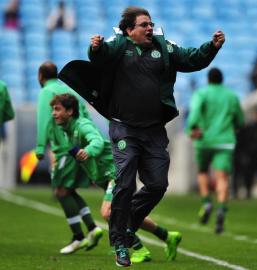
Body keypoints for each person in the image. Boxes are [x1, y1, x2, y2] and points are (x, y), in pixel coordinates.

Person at [58, 6, 225, 266]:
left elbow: (191, 59)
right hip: (124, 128)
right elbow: (100, 58)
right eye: (143, 25)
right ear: (129, 30)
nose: (149, 28)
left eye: (150, 24)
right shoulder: (118, 46)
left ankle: (127, 228)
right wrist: (96, 48)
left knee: (158, 185)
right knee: (124, 184)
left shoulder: (164, 47)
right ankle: (120, 245)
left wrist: (212, 46)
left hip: (154, 130)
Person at [50, 93, 182, 263]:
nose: (53, 113)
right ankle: (167, 236)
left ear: (69, 111)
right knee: (127, 214)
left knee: (108, 213)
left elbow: (96, 141)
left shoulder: (82, 125)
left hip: (115, 174)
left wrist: (89, 151)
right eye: (53, 109)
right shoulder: (67, 130)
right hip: (104, 178)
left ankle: (139, 249)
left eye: (57, 109)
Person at [35, 61, 103, 255]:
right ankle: (92, 228)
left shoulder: (46, 93)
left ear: (40, 76)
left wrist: (40, 146)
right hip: (77, 146)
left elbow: (43, 120)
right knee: (69, 190)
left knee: (61, 191)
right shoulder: (68, 91)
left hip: (64, 148)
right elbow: (85, 119)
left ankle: (78, 236)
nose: (56, 112)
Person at [186, 68, 244, 233]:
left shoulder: (202, 94)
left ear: (208, 80)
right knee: (222, 177)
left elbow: (195, 111)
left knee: (203, 172)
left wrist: (192, 127)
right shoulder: (231, 96)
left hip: (204, 140)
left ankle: (206, 203)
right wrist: (235, 127)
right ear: (222, 80)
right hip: (225, 141)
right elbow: (240, 120)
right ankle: (222, 211)